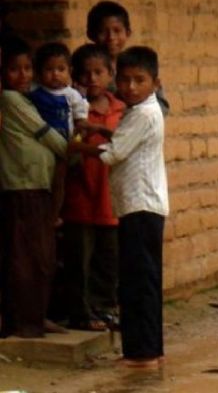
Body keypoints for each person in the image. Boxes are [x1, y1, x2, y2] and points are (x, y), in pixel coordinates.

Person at [72, 46, 168, 368]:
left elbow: (113, 154)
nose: (130, 87)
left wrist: (74, 147)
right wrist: (100, 130)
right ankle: (150, 349)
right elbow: (122, 139)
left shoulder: (141, 113)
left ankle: (141, 354)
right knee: (144, 281)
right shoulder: (142, 110)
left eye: (139, 80)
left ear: (155, 82)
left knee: (137, 283)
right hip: (144, 206)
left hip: (139, 207)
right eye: (125, 80)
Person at [0, 36, 68, 338]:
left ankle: (37, 316)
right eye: (15, 69)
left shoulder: (30, 98)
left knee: (42, 255)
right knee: (28, 256)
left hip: (37, 185)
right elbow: (47, 135)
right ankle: (25, 321)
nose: (23, 75)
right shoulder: (11, 100)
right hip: (22, 186)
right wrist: (71, 150)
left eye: (28, 68)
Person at [61, 44, 125, 331]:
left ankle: (104, 309)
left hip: (110, 198)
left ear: (110, 73)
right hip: (80, 197)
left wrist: (96, 135)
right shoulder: (72, 108)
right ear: (75, 76)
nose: (92, 79)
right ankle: (81, 313)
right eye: (85, 73)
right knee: (79, 261)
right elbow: (66, 148)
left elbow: (123, 144)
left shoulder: (121, 109)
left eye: (99, 72)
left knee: (108, 260)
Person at [87, 0, 169, 115]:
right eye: (103, 32)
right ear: (91, 34)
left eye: (117, 31)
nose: (111, 37)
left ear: (128, 32)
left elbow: (162, 107)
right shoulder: (84, 68)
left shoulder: (137, 64)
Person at [26, 41, 89, 139]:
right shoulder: (33, 89)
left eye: (61, 69)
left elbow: (80, 120)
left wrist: (78, 138)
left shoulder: (73, 95)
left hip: (65, 143)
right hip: (40, 141)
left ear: (70, 71)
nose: (55, 74)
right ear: (39, 72)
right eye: (49, 69)